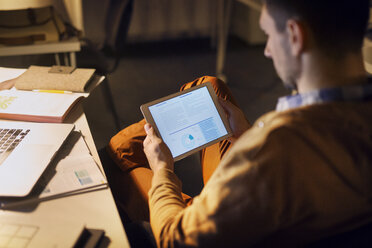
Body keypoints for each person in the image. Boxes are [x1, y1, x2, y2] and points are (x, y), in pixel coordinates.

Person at [106, 0, 372, 247]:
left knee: (119, 155)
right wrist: (246, 135)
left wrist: (163, 170)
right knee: (210, 87)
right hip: (278, 205)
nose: (267, 51)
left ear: (294, 35)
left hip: (208, 227)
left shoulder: (273, 149)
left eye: (268, 35)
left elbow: (173, 238)